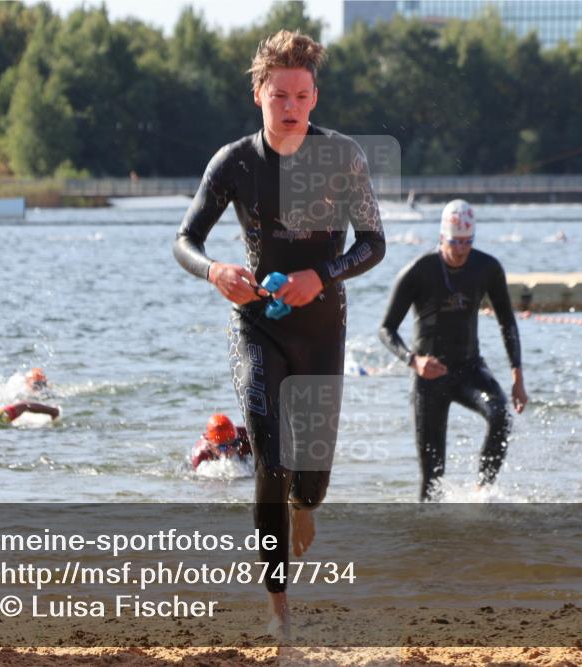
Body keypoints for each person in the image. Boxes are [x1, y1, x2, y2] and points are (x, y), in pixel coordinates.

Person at [173, 30, 385, 633]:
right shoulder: (234, 162)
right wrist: (216, 270)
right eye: (278, 96)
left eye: (301, 95)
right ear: (259, 94)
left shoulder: (342, 156)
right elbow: (184, 240)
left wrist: (322, 275)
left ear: (314, 97)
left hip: (322, 329)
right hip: (258, 325)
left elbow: (374, 244)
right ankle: (279, 605)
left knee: (310, 480)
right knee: (269, 452)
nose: (290, 107)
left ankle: (305, 505)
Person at [379, 200, 527, 501]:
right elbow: (386, 329)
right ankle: (427, 541)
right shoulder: (420, 271)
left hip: (470, 369)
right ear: (442, 237)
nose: (461, 250)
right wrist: (413, 360)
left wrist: (517, 376)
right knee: (433, 475)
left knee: (500, 414)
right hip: (429, 377)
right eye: (454, 243)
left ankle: (483, 492)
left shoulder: (487, 267)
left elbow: (507, 322)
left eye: (467, 243)